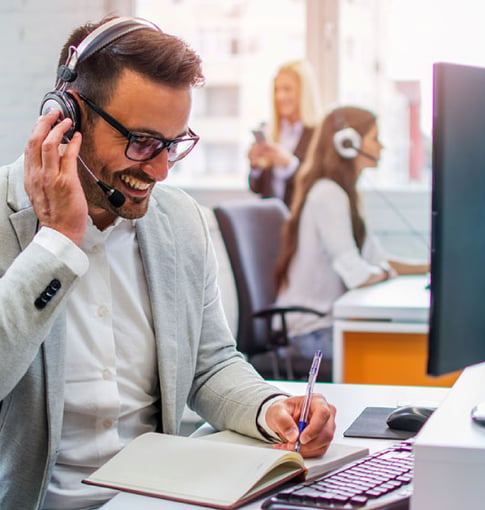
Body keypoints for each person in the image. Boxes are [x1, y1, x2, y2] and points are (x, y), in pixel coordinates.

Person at [0, 16, 336, 509]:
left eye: (173, 144)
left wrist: (270, 408)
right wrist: (56, 241)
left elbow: (211, 365)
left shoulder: (180, 222)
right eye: (141, 142)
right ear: (66, 120)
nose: (159, 170)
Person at [274, 106, 430, 360]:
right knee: (404, 354)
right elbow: (357, 274)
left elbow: (378, 260)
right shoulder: (328, 193)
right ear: (348, 143)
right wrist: (386, 272)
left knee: (408, 344)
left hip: (326, 326)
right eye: (375, 138)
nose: (382, 147)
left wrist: (429, 267)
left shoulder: (345, 194)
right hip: (309, 333)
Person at [247, 60, 322, 207]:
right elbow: (256, 188)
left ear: (304, 92)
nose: (280, 96)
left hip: (301, 221)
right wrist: (256, 165)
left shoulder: (319, 134)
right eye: (277, 89)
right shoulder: (269, 130)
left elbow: (318, 185)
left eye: (287, 89)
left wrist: (289, 164)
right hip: (271, 221)